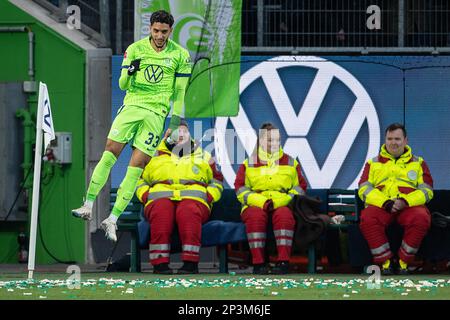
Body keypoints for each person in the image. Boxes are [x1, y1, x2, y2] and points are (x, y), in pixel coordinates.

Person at [71, 10, 192, 242]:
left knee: (136, 166)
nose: (159, 35)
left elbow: (179, 92)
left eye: (164, 32)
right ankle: (87, 205)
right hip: (132, 107)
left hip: (156, 114)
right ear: (150, 28)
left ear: (171, 31)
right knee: (109, 152)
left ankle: (112, 220)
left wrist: (174, 123)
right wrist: (130, 70)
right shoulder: (135, 49)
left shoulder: (180, 54)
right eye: (156, 30)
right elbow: (123, 83)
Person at [135, 120, 224, 274]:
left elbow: (216, 180)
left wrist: (210, 196)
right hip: (159, 199)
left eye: (185, 131)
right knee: (161, 213)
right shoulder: (152, 154)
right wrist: (145, 195)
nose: (181, 134)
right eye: (177, 131)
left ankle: (190, 263)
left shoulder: (204, 155)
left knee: (188, 212)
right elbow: (138, 179)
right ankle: (159, 263)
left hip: (194, 200)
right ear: (168, 135)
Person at [358, 123, 433, 275]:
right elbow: (364, 189)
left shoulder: (418, 163)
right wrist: (385, 203)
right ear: (385, 140)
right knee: (367, 217)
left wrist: (405, 201)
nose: (393, 142)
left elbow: (427, 191)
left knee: (421, 218)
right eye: (390, 138)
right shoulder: (373, 162)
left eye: (397, 139)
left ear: (406, 140)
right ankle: (386, 263)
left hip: (408, 207)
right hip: (382, 206)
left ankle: (403, 262)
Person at [234, 123, 307, 275]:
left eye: (277, 139)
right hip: (255, 204)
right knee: (255, 216)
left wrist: (283, 200)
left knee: (284, 215)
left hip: (282, 203)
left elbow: (300, 187)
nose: (274, 143)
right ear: (260, 141)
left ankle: (283, 262)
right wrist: (261, 202)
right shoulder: (249, 163)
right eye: (269, 140)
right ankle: (258, 263)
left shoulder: (291, 162)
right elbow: (240, 189)